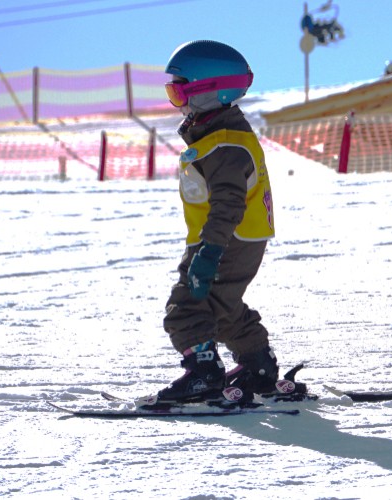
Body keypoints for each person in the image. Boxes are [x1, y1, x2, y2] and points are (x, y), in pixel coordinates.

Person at [154, 40, 286, 403]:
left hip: (226, 239)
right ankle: (258, 367)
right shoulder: (218, 136)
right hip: (238, 239)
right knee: (222, 306)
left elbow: (229, 203)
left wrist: (210, 250)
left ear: (209, 91)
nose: (175, 102)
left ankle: (204, 374)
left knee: (187, 307)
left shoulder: (225, 144)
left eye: (179, 92)